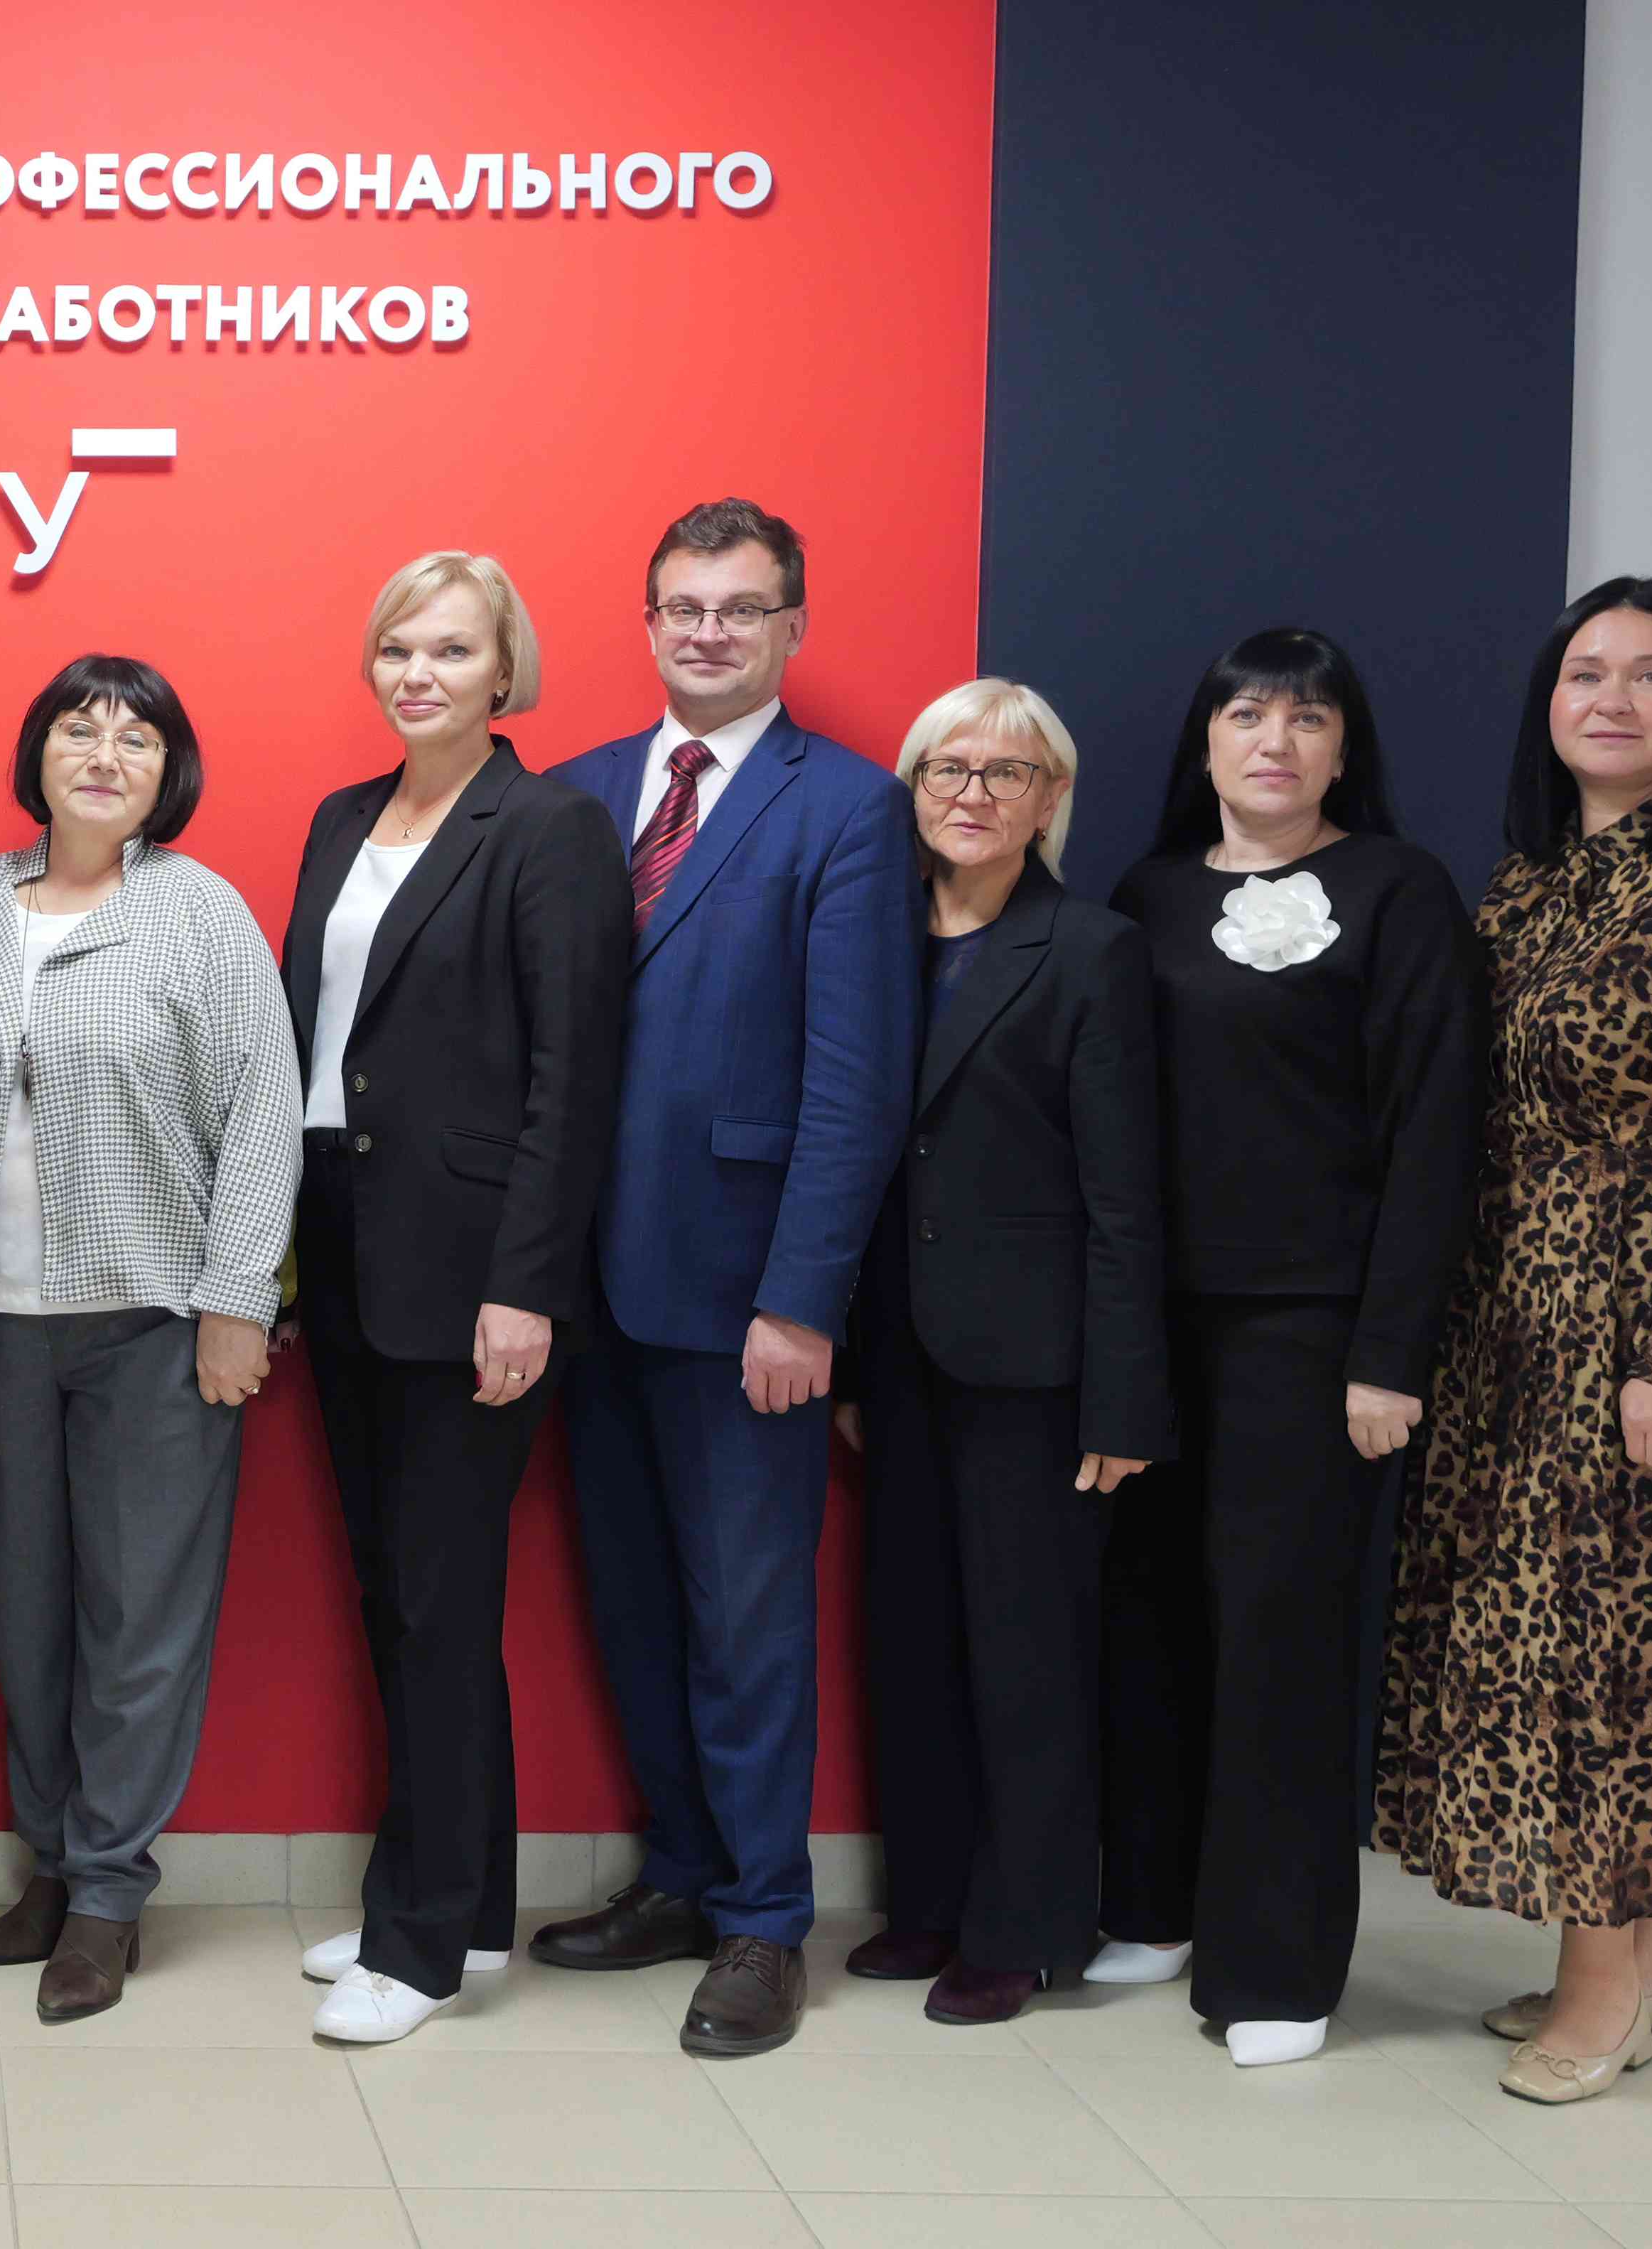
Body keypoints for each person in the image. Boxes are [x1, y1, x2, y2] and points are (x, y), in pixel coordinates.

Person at [1377, 578, 1652, 2106]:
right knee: (1558, 1632)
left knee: (1617, 1656)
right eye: (1586, 673)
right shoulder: (1533, 883)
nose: (1613, 700)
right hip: (1522, 1319)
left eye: (1650, 674)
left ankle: (1605, 1983)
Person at [0, 655, 305, 2024]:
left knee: (139, 1623)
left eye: (136, 737)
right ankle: (51, 1866)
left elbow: (264, 1114)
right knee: (28, 1609)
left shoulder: (202, 916)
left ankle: (109, 1890)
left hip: (153, 1326)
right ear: (37, 754)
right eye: (78, 727)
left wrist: (236, 1300)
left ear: (169, 772)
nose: (105, 753)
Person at [535, 498, 914, 2059]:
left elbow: (855, 1081)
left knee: (748, 1622)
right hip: (583, 1291)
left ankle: (765, 1918)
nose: (708, 632)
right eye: (683, 607)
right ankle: (683, 1878)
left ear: (790, 629)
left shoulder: (852, 807)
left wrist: (802, 1299)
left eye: (740, 609)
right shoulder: (573, 794)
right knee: (631, 1603)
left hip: (744, 1295)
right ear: (646, 622)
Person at [1103, 627, 1480, 2069]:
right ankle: (1154, 1904)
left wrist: (1389, 1352)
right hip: (1150, 1322)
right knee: (1148, 1616)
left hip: (1312, 1332)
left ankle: (1274, 1966)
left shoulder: (1397, 891)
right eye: (1247, 714)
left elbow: (1434, 1133)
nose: (1274, 740)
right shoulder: (1145, 892)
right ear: (1203, 740)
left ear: (1342, 748)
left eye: (1307, 719)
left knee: (1278, 1638)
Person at [284, 554, 636, 2044]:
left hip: (473, 1272)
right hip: (344, 1248)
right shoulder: (340, 818)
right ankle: (466, 1904)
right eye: (396, 648)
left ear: (503, 672)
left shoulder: (549, 828)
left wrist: (524, 1287)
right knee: (399, 1591)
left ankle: (417, 1946)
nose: (417, 673)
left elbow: (573, 1074)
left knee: (439, 1598)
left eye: (448, 649)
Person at [828, 679, 1171, 2026]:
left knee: (1026, 1653)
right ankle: (927, 1900)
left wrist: (1123, 1396)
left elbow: (1124, 1194)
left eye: (1006, 772)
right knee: (912, 1635)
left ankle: (1022, 1928)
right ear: (911, 788)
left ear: (1050, 800)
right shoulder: (869, 933)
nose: (972, 793)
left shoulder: (1089, 949)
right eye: (947, 768)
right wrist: (846, 1356)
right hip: (896, 1352)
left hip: (1038, 1365)